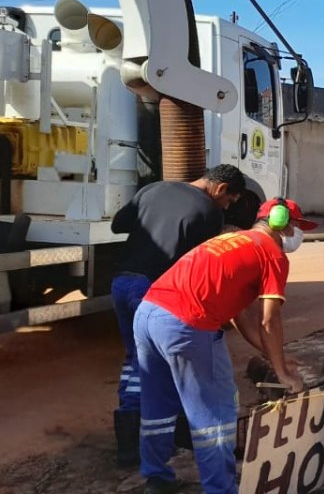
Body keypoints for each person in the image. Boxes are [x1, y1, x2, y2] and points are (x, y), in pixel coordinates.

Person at [134, 198, 316, 494]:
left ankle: (156, 478)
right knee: (214, 415)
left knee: (158, 403)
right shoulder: (272, 254)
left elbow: (238, 313)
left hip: (148, 314)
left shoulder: (231, 239)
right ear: (283, 225)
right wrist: (282, 373)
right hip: (187, 325)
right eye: (296, 226)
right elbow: (269, 321)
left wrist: (274, 358)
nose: (298, 234)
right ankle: (220, 489)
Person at [108, 164, 245, 468]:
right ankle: (179, 434)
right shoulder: (209, 212)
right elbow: (201, 266)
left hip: (122, 282)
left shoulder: (154, 188)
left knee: (135, 360)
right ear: (220, 189)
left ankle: (128, 443)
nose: (227, 206)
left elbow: (118, 225)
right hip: (157, 291)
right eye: (230, 200)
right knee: (173, 364)